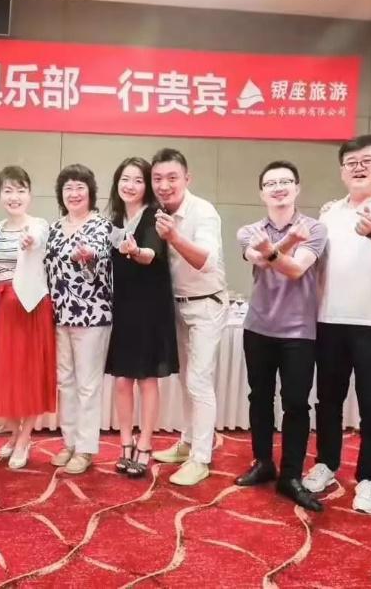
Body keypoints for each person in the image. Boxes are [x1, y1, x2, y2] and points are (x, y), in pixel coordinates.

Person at [304, 134, 371, 514]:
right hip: (329, 318)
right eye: (351, 162)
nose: (359, 168)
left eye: (367, 161)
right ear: (342, 171)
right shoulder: (330, 212)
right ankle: (326, 463)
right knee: (328, 400)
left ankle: (369, 478)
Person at [235, 161, 328, 511]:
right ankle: (263, 462)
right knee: (259, 398)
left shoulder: (315, 228)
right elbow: (259, 260)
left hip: (299, 331)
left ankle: (290, 475)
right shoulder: (250, 230)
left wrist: (276, 247)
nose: (278, 188)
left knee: (296, 404)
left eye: (285, 181)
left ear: (297, 188)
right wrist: (287, 242)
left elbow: (296, 269)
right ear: (262, 193)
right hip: (258, 326)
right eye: (271, 183)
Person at [150, 148, 227, 487]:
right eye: (157, 179)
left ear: (187, 178)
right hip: (175, 305)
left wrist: (174, 237)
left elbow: (205, 261)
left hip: (206, 304)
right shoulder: (157, 211)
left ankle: (201, 458)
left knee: (198, 381)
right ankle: (187, 442)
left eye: (172, 178)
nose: (164, 185)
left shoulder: (203, 212)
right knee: (184, 380)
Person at [104, 157, 177, 479]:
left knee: (147, 379)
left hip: (150, 308)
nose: (130, 185)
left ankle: (145, 444)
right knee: (122, 380)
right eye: (125, 179)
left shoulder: (154, 216)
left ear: (146, 186)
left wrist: (135, 252)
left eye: (137, 180)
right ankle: (125, 442)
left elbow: (150, 254)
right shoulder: (114, 218)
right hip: (123, 307)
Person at [45, 163, 113, 476]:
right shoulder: (55, 227)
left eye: (80, 187)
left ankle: (86, 448)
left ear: (90, 192)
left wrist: (86, 258)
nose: (74, 193)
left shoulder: (101, 225)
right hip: (59, 314)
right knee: (66, 382)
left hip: (92, 314)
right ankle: (69, 442)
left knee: (87, 385)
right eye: (68, 188)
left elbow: (97, 266)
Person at [0, 166, 56, 470]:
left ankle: (25, 437)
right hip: (3, 308)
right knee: (6, 374)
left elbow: (37, 239)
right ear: (0, 195)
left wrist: (30, 241)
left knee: (30, 374)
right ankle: (15, 433)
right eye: (8, 190)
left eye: (20, 190)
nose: (14, 197)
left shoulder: (38, 225)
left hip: (31, 306)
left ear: (29, 194)